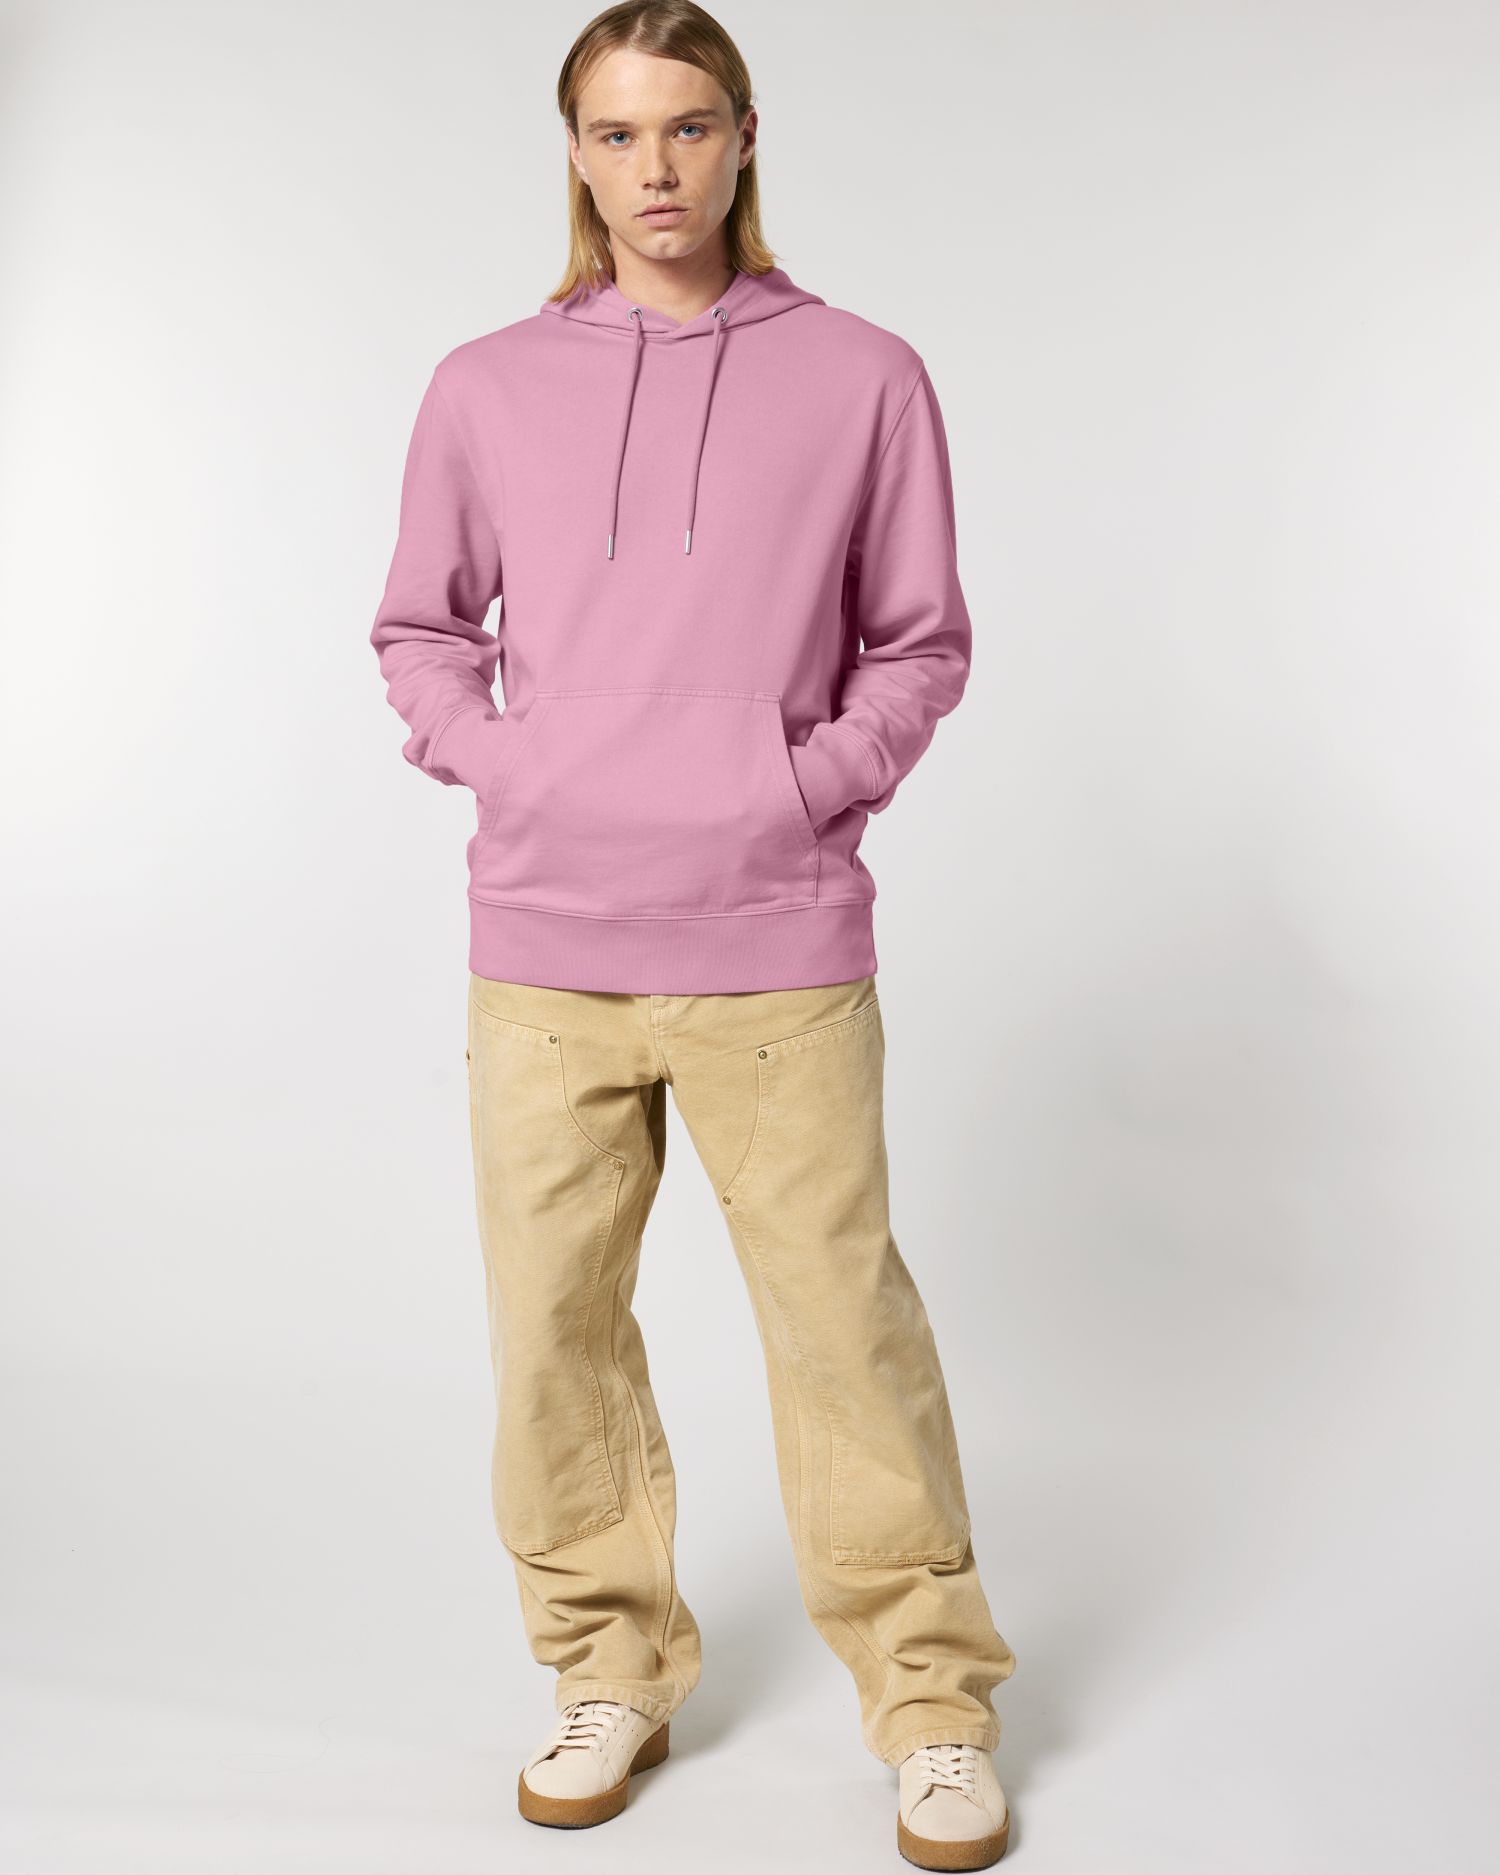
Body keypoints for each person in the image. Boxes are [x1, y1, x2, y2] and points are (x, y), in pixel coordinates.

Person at [369, 2, 1017, 1864]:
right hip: (545, 951)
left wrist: (802, 786)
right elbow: (419, 628)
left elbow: (921, 642)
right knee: (552, 1334)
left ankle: (931, 1701)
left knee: (842, 1329)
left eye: (686, 127)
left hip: (778, 944)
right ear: (574, 155)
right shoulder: (487, 384)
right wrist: (515, 768)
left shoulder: (865, 375)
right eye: (615, 132)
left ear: (743, 137)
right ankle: (607, 1666)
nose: (653, 168)